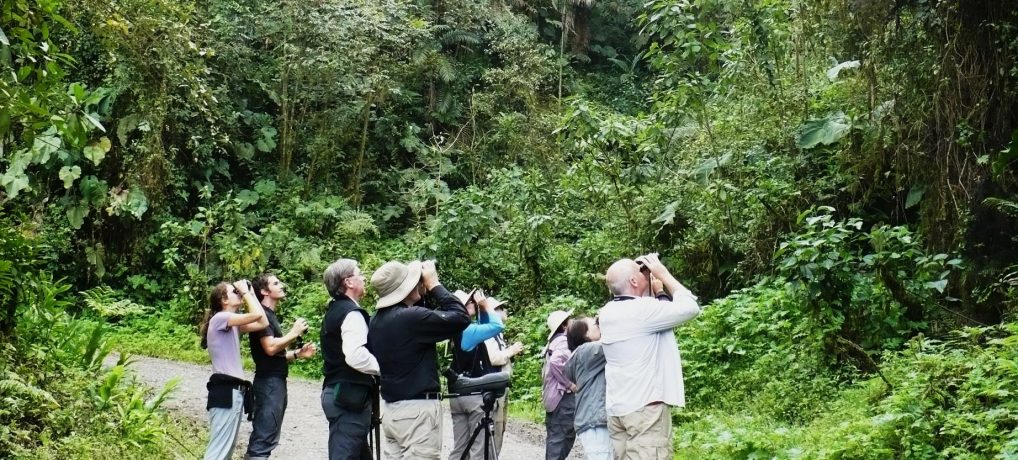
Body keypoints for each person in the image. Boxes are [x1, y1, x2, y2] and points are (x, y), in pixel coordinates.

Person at [598, 253, 700, 459]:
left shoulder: (607, 312)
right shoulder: (643, 311)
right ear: (634, 281)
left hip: (619, 409)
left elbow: (642, 306)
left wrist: (647, 283)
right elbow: (691, 307)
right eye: (641, 272)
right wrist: (663, 272)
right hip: (645, 411)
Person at [367, 260, 471, 460]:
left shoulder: (376, 321)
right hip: (417, 412)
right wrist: (434, 285)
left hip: (392, 410)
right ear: (404, 289)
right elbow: (460, 317)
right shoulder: (411, 319)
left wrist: (420, 293)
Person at [245, 273, 316, 460]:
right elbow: (269, 348)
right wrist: (294, 333)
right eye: (276, 283)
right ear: (264, 291)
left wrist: (298, 354)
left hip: (274, 382)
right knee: (263, 439)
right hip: (268, 384)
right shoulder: (262, 316)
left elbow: (275, 355)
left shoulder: (269, 316)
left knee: (269, 437)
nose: (281, 285)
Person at [199, 280, 269, 460]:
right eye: (234, 292)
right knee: (219, 451)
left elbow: (263, 321)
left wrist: (250, 293)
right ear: (224, 299)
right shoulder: (221, 318)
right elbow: (256, 314)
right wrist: (246, 293)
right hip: (226, 391)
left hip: (234, 392)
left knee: (226, 451)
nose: (238, 293)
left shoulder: (233, 324)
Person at [321, 259, 380, 460]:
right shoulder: (351, 313)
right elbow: (355, 355)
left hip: (339, 392)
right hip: (349, 395)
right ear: (348, 282)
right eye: (359, 273)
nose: (363, 277)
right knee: (344, 455)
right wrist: (383, 369)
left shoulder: (335, 310)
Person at [448, 289, 505, 460]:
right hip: (473, 396)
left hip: (458, 395)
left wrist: (481, 310)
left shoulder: (456, 329)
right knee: (478, 449)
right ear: (462, 309)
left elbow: (483, 327)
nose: (472, 303)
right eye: (469, 303)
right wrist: (487, 305)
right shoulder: (468, 330)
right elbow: (497, 327)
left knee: (461, 447)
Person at [564, 317, 612, 460]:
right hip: (595, 422)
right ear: (586, 335)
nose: (599, 325)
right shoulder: (587, 351)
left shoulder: (582, 355)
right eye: (595, 324)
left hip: (593, 421)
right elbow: (616, 341)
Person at [482, 301, 524, 454]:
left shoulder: (497, 334)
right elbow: (494, 358)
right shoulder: (488, 333)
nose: (504, 310)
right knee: (494, 430)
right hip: (494, 390)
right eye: (500, 308)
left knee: (500, 428)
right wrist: (511, 351)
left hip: (502, 387)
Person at [542, 309, 576, 460]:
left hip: (553, 398)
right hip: (562, 397)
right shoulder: (563, 341)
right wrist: (569, 384)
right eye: (570, 319)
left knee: (556, 438)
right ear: (564, 326)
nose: (573, 321)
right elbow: (556, 362)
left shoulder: (554, 341)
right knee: (562, 439)